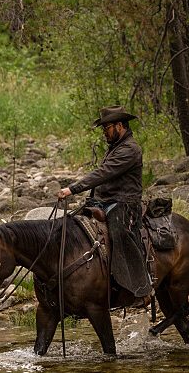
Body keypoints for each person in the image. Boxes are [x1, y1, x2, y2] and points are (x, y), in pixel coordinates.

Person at [57, 105, 152, 300]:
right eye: (103, 129)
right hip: (105, 201)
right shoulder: (116, 148)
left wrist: (72, 189)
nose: (104, 133)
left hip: (124, 203)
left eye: (106, 128)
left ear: (119, 125)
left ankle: (139, 289)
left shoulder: (130, 149)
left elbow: (103, 173)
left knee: (119, 234)